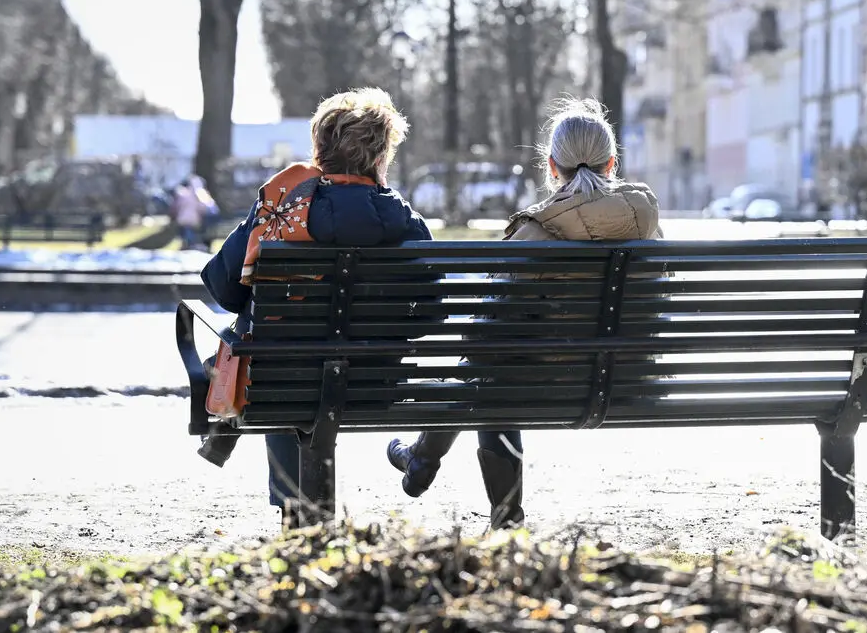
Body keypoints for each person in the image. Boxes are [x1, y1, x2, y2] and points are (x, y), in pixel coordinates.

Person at [385, 97, 663, 529]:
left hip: (542, 388)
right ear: (612, 163)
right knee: (491, 374)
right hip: (630, 381)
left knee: (490, 379)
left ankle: (495, 512)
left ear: (552, 166)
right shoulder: (647, 222)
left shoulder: (536, 232)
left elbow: (489, 332)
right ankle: (422, 460)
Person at [198, 87, 432, 523]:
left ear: (319, 151)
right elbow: (429, 315)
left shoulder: (282, 206)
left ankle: (294, 509)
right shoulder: (404, 220)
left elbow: (224, 290)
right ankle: (302, 511)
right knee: (286, 355)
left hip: (279, 382)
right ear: (381, 156)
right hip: (373, 383)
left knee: (272, 352)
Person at [170, 178, 208, 249]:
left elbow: (176, 206)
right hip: (193, 219)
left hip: (182, 218)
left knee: (186, 232)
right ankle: (189, 245)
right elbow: (202, 207)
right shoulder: (199, 195)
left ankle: (186, 245)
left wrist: (174, 214)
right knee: (189, 232)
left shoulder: (183, 194)